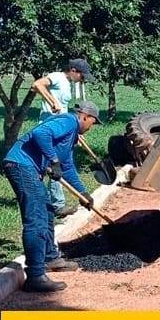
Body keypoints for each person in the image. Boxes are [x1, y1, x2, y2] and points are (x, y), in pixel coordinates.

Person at [2, 101, 103, 292]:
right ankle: (35, 275)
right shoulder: (68, 121)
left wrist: (83, 193)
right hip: (21, 166)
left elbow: (67, 167)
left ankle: (50, 258)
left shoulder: (71, 135)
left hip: (30, 169)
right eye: (93, 122)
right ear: (85, 116)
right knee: (37, 218)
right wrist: (53, 160)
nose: (92, 127)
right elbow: (41, 134)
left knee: (48, 212)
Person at [32, 58, 93, 218]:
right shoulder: (58, 77)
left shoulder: (67, 84)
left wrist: (74, 132)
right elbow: (37, 85)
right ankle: (55, 204)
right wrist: (52, 102)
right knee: (55, 164)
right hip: (49, 129)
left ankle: (54, 203)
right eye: (82, 75)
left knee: (59, 164)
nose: (82, 79)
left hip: (61, 129)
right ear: (73, 70)